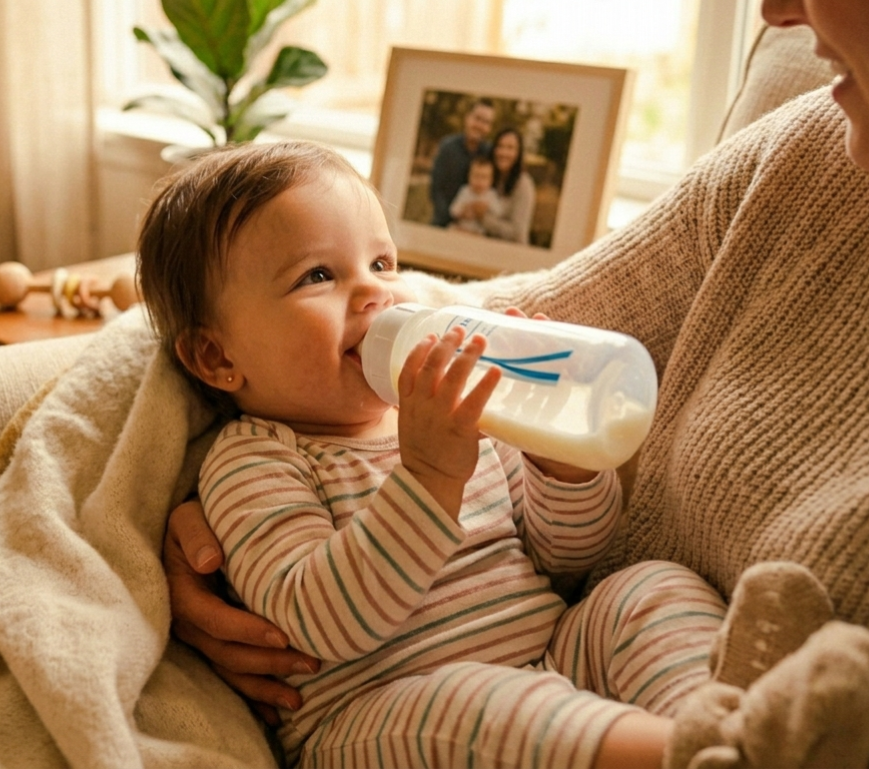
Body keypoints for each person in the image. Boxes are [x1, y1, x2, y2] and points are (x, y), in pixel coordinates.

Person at [163, 0, 869, 765]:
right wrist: (429, 476)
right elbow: (321, 621)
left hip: (551, 663)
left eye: (383, 263)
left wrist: (562, 465)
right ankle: (703, 751)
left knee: (643, 587)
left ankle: (725, 717)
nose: (377, 295)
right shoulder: (254, 462)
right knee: (464, 701)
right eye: (319, 275)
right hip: (385, 713)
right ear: (215, 358)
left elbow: (565, 555)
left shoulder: (451, 405)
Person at [429, 98, 495, 228]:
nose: (480, 126)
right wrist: (452, 217)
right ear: (467, 118)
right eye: (477, 119)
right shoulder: (447, 147)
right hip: (443, 224)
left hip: (477, 229)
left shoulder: (490, 154)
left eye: (486, 122)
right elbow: (436, 189)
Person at [479, 126, 536, 244]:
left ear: (518, 153)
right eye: (500, 146)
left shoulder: (524, 185)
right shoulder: (488, 177)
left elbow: (517, 233)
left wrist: (483, 218)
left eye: (510, 148)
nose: (504, 153)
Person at [446, 154, 500, 234]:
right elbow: (453, 210)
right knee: (449, 229)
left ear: (491, 180)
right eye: (476, 176)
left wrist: (486, 207)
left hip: (479, 231)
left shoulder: (491, 195)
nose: (479, 181)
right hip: (462, 227)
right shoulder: (465, 191)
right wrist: (462, 212)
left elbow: (499, 212)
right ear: (469, 177)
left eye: (484, 177)